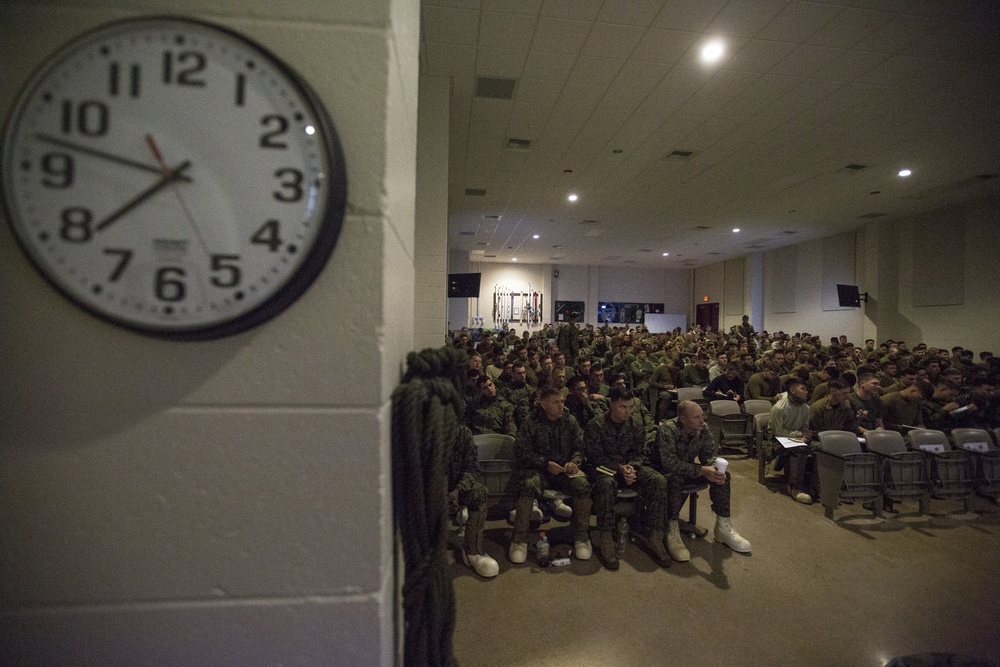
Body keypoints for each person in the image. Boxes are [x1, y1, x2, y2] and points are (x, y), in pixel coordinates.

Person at [584, 388, 671, 570]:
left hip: (630, 467)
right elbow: (595, 457)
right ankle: (606, 536)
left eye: (631, 407)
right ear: (612, 405)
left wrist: (632, 467)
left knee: (658, 480)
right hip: (606, 468)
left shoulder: (635, 424)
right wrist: (620, 469)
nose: (628, 411)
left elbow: (640, 453)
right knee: (606, 483)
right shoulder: (596, 425)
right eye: (623, 407)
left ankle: (655, 535)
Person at [654, 401, 751, 561]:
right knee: (675, 478)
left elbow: (708, 455)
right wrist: (701, 470)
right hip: (663, 471)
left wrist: (715, 467)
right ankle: (672, 527)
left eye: (702, 416)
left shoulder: (702, 430)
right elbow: (669, 463)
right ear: (683, 419)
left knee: (723, 477)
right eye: (696, 417)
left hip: (688, 468)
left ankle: (723, 525)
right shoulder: (668, 429)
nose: (702, 421)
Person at [509, 387, 593, 563]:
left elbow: (580, 447)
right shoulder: (531, 423)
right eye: (556, 402)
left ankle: (581, 537)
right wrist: (544, 463)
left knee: (582, 485)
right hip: (540, 470)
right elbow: (521, 452)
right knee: (527, 485)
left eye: (562, 401)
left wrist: (574, 463)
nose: (561, 406)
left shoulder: (570, 421)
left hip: (564, 471)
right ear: (543, 404)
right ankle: (520, 540)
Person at [449, 425, 499, 577]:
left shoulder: (462, 432)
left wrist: (458, 490)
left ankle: (473, 551)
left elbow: (472, 468)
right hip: (428, 489)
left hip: (456, 486)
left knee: (478, 493)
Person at [769, 378, 814, 504]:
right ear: (792, 390)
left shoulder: (806, 407)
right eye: (803, 389)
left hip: (796, 437)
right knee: (800, 449)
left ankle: (814, 485)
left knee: (819, 448)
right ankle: (795, 487)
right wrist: (799, 434)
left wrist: (806, 437)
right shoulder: (779, 408)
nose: (806, 392)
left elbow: (805, 427)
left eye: (807, 389)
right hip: (777, 438)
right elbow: (777, 431)